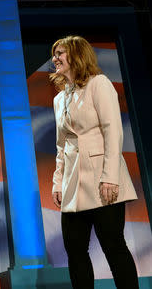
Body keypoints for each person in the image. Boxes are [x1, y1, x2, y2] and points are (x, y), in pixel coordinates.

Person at [50, 35, 138, 289]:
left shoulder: (99, 84)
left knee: (113, 246)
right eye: (54, 54)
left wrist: (110, 177)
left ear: (77, 56)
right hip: (73, 184)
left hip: (102, 180)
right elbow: (61, 145)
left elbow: (113, 131)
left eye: (60, 53)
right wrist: (58, 182)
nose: (54, 59)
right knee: (74, 250)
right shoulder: (59, 99)